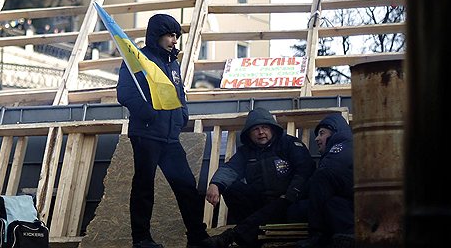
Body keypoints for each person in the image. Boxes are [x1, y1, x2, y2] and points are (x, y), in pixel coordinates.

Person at [117, 14, 210, 248]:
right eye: (170, 35)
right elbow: (125, 93)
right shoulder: (136, 59)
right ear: (157, 35)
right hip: (146, 133)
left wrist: (183, 115)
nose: (174, 40)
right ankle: (141, 239)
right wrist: (148, 113)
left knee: (186, 185)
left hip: (169, 136)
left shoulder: (173, 63)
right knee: (144, 188)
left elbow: (180, 93)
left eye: (176, 36)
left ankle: (197, 236)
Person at [202, 108, 315, 248]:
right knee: (231, 187)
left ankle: (232, 236)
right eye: (255, 129)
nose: (261, 132)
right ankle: (249, 233)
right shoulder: (246, 152)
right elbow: (230, 169)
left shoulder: (290, 144)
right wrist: (215, 184)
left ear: (272, 129)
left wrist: (290, 194)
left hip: (289, 203)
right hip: (260, 204)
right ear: (249, 134)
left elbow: (305, 171)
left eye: (265, 127)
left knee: (282, 204)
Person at [294, 114, 354, 248]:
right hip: (349, 205)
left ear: (335, 132)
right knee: (331, 203)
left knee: (321, 177)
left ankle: (317, 235)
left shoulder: (342, 146)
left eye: (322, 133)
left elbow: (323, 176)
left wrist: (297, 194)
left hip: (359, 203)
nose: (317, 138)